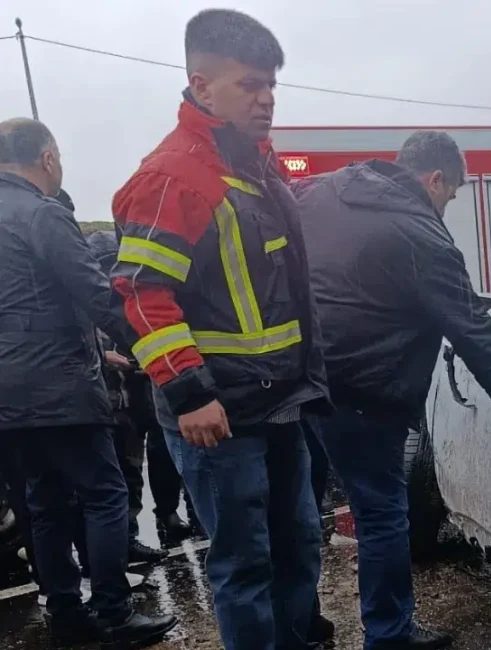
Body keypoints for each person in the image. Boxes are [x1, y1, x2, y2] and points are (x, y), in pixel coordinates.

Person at [109, 10, 332, 650]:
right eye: (250, 85)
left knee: (299, 544)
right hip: (219, 415)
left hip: (279, 402)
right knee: (245, 565)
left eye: (271, 85)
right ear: (202, 87)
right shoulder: (172, 177)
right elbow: (142, 293)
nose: (266, 99)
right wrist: (189, 394)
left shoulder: (254, 165)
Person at [295, 130, 491, 650]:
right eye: (450, 194)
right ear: (434, 179)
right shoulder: (422, 234)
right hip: (366, 396)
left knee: (297, 514)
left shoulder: (321, 190)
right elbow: (471, 327)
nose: (446, 205)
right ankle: (389, 634)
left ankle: (299, 627)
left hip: (298, 382)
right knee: (382, 516)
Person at [0, 117, 178, 648]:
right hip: (59, 384)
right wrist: (158, 352)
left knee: (45, 502)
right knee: (104, 494)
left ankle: (65, 614)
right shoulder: (42, 213)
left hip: (9, 391)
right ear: (48, 157)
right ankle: (114, 612)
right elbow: (98, 294)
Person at [86, 229, 196, 541]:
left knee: (161, 454)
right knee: (128, 467)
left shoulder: (131, 288)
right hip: (116, 396)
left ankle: (166, 515)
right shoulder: (90, 296)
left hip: (146, 385)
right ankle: (136, 530)